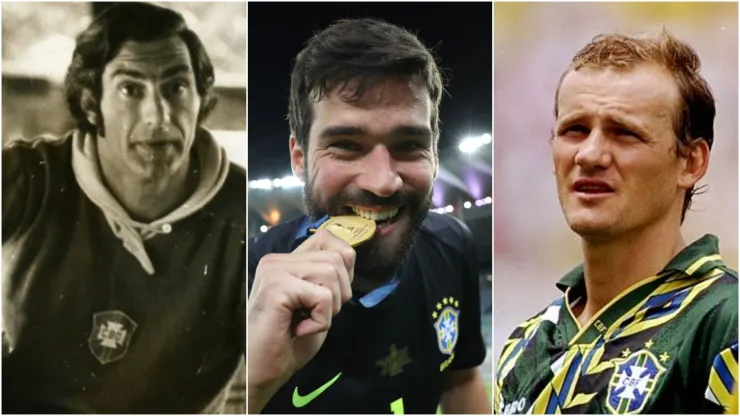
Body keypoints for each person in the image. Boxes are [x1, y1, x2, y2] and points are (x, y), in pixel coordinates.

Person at [2, 3, 246, 413]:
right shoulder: (29, 178)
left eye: (176, 87)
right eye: (131, 89)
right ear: (91, 102)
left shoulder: (245, 213)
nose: (159, 115)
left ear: (202, 97)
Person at [247, 18, 490, 414]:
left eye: (409, 144)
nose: (383, 182)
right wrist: (253, 381)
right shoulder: (242, 280)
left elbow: (461, 380)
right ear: (299, 158)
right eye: (346, 145)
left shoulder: (453, 244)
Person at [495, 30, 737, 414]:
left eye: (624, 133)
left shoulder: (724, 324)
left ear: (691, 163)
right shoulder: (520, 348)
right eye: (574, 130)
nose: (589, 155)